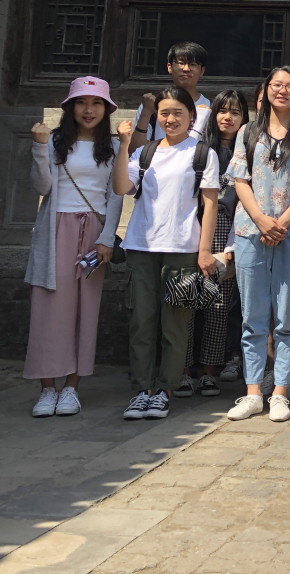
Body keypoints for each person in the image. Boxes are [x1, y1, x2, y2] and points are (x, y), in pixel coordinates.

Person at [113, 88, 220, 421]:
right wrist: (123, 145)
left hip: (182, 250)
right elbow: (120, 187)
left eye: (177, 113)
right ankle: (142, 389)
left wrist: (205, 250)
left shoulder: (202, 154)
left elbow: (210, 204)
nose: (170, 119)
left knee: (175, 326)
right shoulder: (144, 153)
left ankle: (164, 390)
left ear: (191, 116)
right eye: (164, 113)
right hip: (142, 248)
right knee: (141, 323)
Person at [225, 66, 290, 424]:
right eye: (276, 85)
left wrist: (281, 222)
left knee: (287, 315)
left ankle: (281, 391)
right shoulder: (248, 132)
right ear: (266, 90)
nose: (282, 91)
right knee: (253, 315)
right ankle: (253, 392)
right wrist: (261, 219)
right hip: (250, 231)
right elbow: (240, 179)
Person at [25, 78, 124, 418]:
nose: (89, 110)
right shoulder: (54, 142)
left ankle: (72, 387)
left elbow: (115, 196)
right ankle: (46, 387)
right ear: (70, 107)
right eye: (82, 102)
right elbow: (42, 187)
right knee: (49, 308)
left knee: (85, 309)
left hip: (93, 231)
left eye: (96, 103)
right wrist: (39, 147)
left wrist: (107, 238)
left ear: (106, 109)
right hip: (55, 230)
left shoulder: (112, 147)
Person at [179, 90, 248, 399]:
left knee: (218, 306)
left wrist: (233, 244)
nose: (228, 117)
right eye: (222, 110)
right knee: (187, 300)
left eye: (235, 112)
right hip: (194, 227)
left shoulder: (247, 153)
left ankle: (208, 372)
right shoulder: (198, 150)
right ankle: (183, 370)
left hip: (229, 230)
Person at [130, 42, 211, 150]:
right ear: (169, 67)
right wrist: (146, 113)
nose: (186, 69)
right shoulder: (152, 106)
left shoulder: (210, 107)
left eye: (193, 64)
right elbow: (135, 152)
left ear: (202, 70)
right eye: (181, 63)